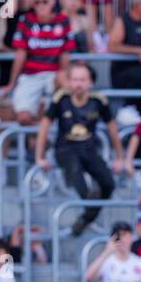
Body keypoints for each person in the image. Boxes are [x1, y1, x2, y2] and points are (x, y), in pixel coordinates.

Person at [35, 61, 125, 238]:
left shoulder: (99, 100)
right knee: (76, 172)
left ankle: (85, 218)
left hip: (89, 150)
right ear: (68, 81)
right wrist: (39, 156)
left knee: (109, 183)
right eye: (75, 79)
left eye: (83, 79)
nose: (78, 84)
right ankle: (89, 206)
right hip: (65, 149)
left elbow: (112, 129)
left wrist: (119, 157)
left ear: (90, 82)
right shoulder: (60, 98)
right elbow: (44, 126)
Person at [5, 0, 75, 129]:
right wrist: (12, 82)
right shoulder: (25, 20)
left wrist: (65, 76)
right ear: (32, 3)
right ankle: (45, 127)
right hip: (30, 75)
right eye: (37, 2)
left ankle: (66, 116)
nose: (41, 5)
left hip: (53, 75)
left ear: (53, 2)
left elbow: (65, 55)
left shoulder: (63, 21)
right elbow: (20, 55)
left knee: (65, 77)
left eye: (45, 1)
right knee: (23, 117)